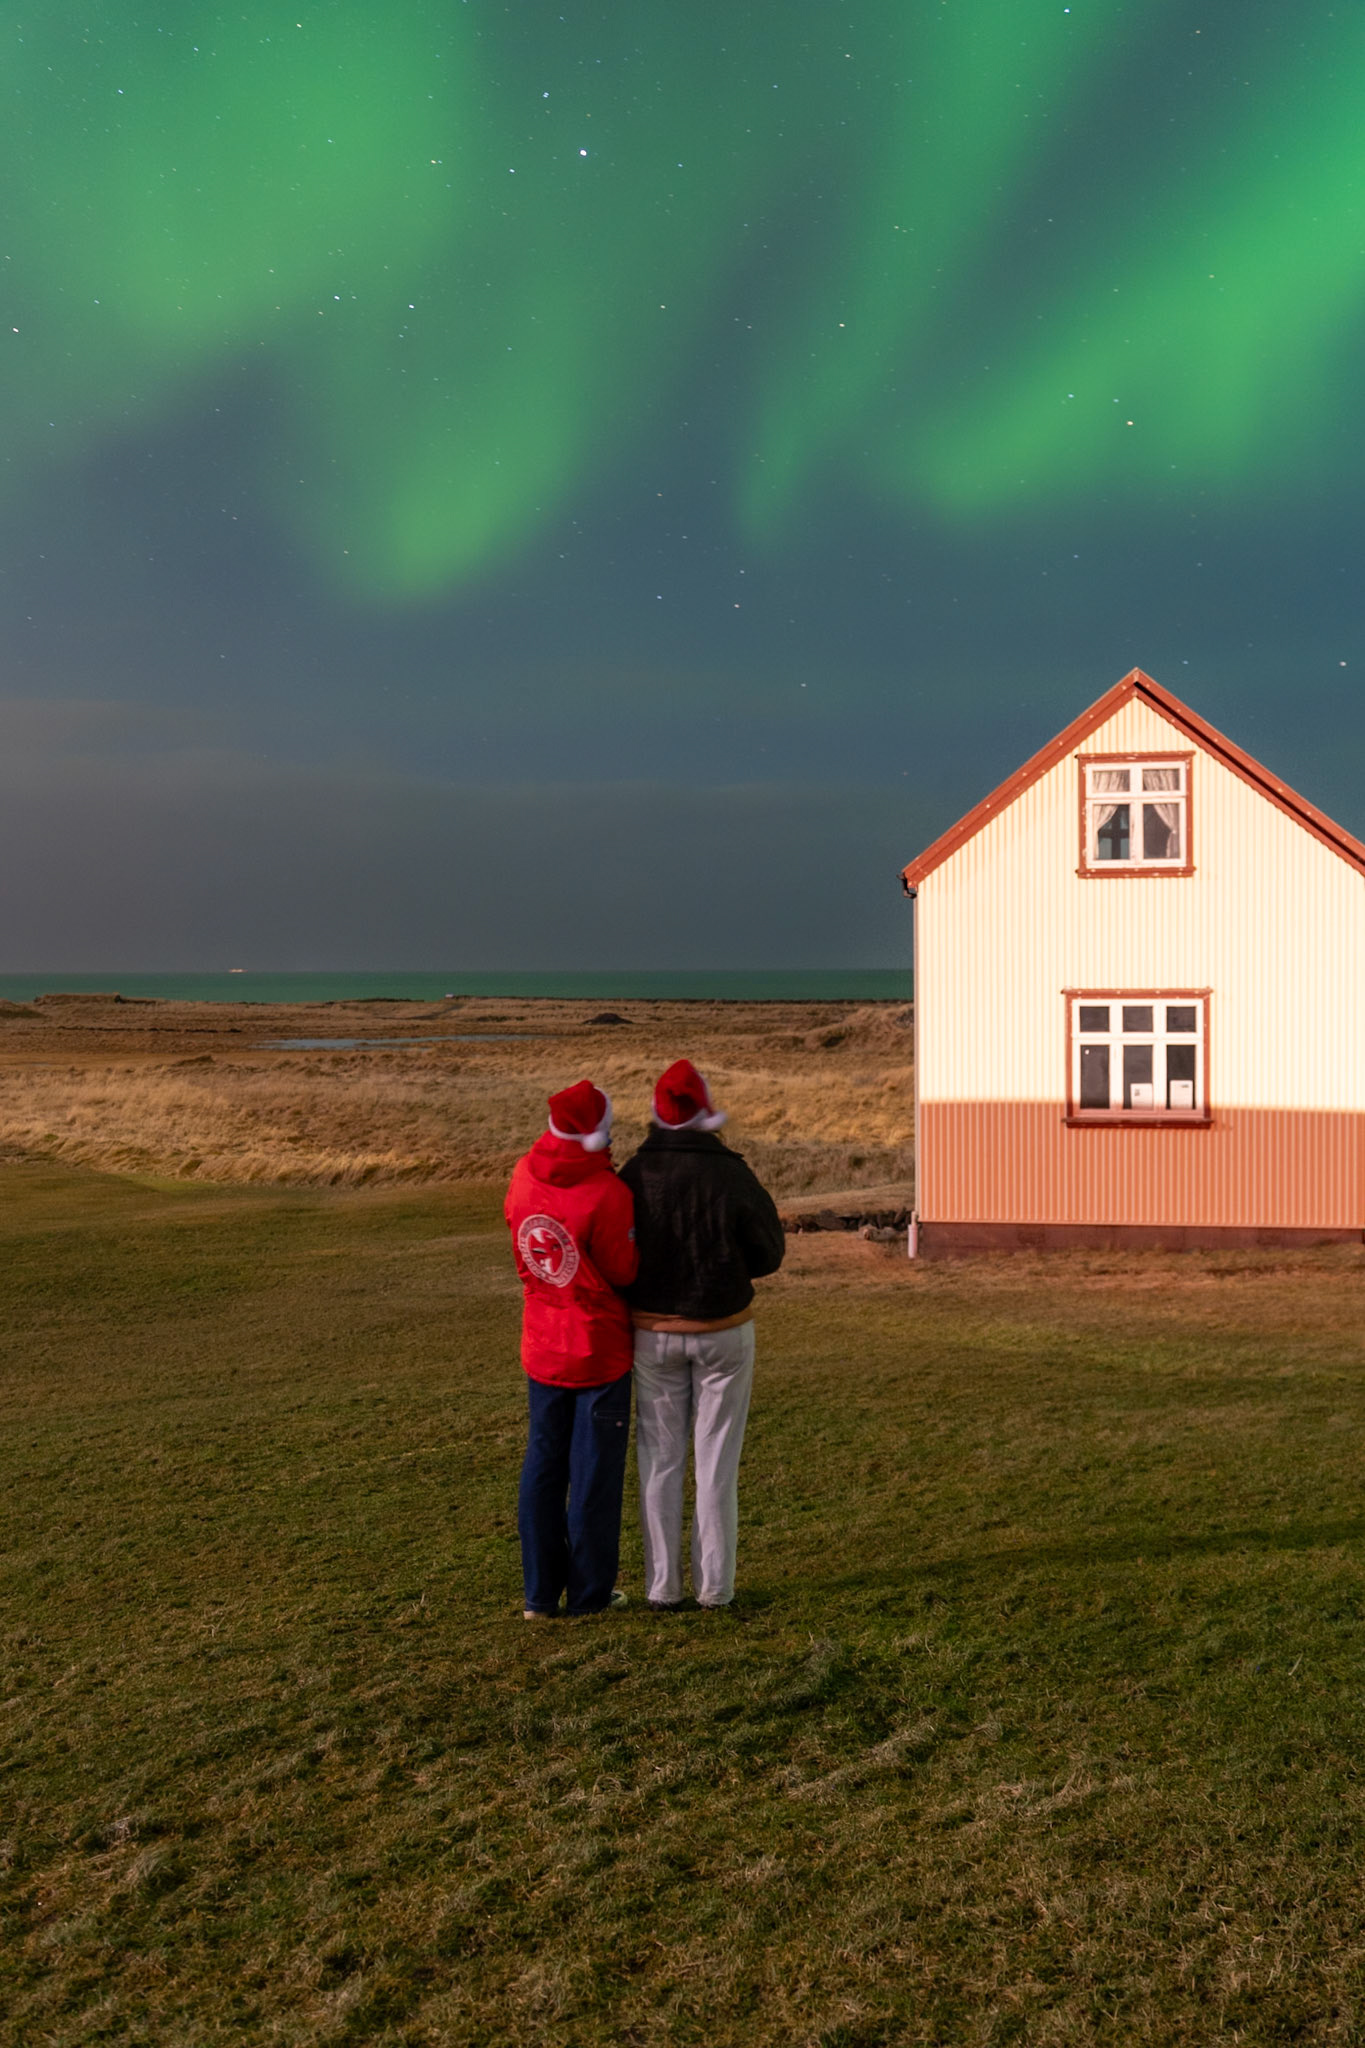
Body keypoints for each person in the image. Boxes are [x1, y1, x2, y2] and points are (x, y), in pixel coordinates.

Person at [620, 1059, 785, 1610]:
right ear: (705, 1110)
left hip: (652, 1332)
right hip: (724, 1332)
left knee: (659, 1459)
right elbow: (769, 1253)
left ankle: (663, 1586)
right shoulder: (732, 1173)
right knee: (717, 1461)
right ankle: (716, 1587)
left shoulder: (633, 1175)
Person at [504, 1079, 638, 1619]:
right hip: (598, 1352)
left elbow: (524, 1246)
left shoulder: (521, 1174)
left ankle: (539, 1593)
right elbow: (624, 1270)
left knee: (542, 1466)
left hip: (542, 1343)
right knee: (593, 1477)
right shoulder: (608, 1194)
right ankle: (588, 1595)